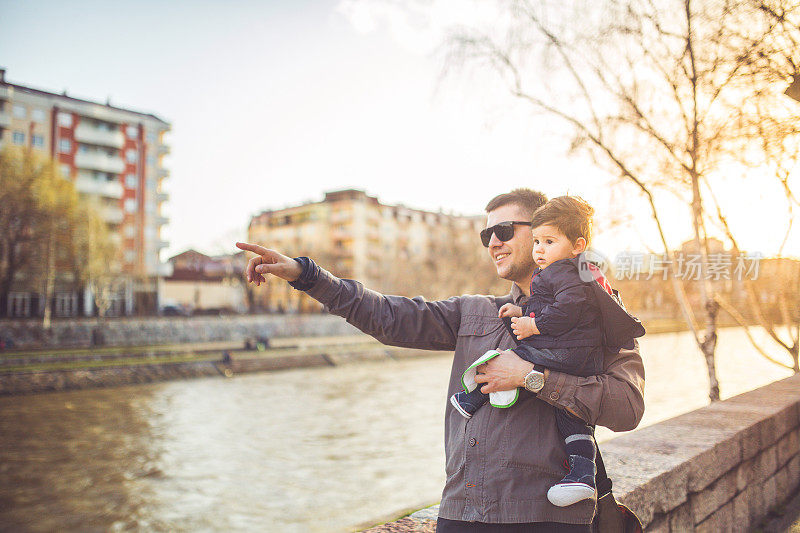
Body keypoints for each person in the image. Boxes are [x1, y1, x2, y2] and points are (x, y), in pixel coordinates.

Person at [236, 188, 645, 532]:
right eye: (486, 234)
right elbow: (387, 315)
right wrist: (304, 274)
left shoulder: (601, 313)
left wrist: (530, 376)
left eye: (504, 230)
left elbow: (626, 407)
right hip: (459, 517)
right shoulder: (475, 311)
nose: (492, 243)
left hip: (546, 521)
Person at [450, 196, 645, 509]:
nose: (539, 248)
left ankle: (473, 398)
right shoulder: (560, 275)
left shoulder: (569, 273)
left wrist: (532, 327)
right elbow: (551, 302)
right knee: (572, 416)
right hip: (572, 356)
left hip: (571, 354)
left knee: (516, 361)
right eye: (539, 241)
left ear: (577, 245)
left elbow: (568, 308)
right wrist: (522, 308)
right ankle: (582, 473)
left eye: (547, 241)